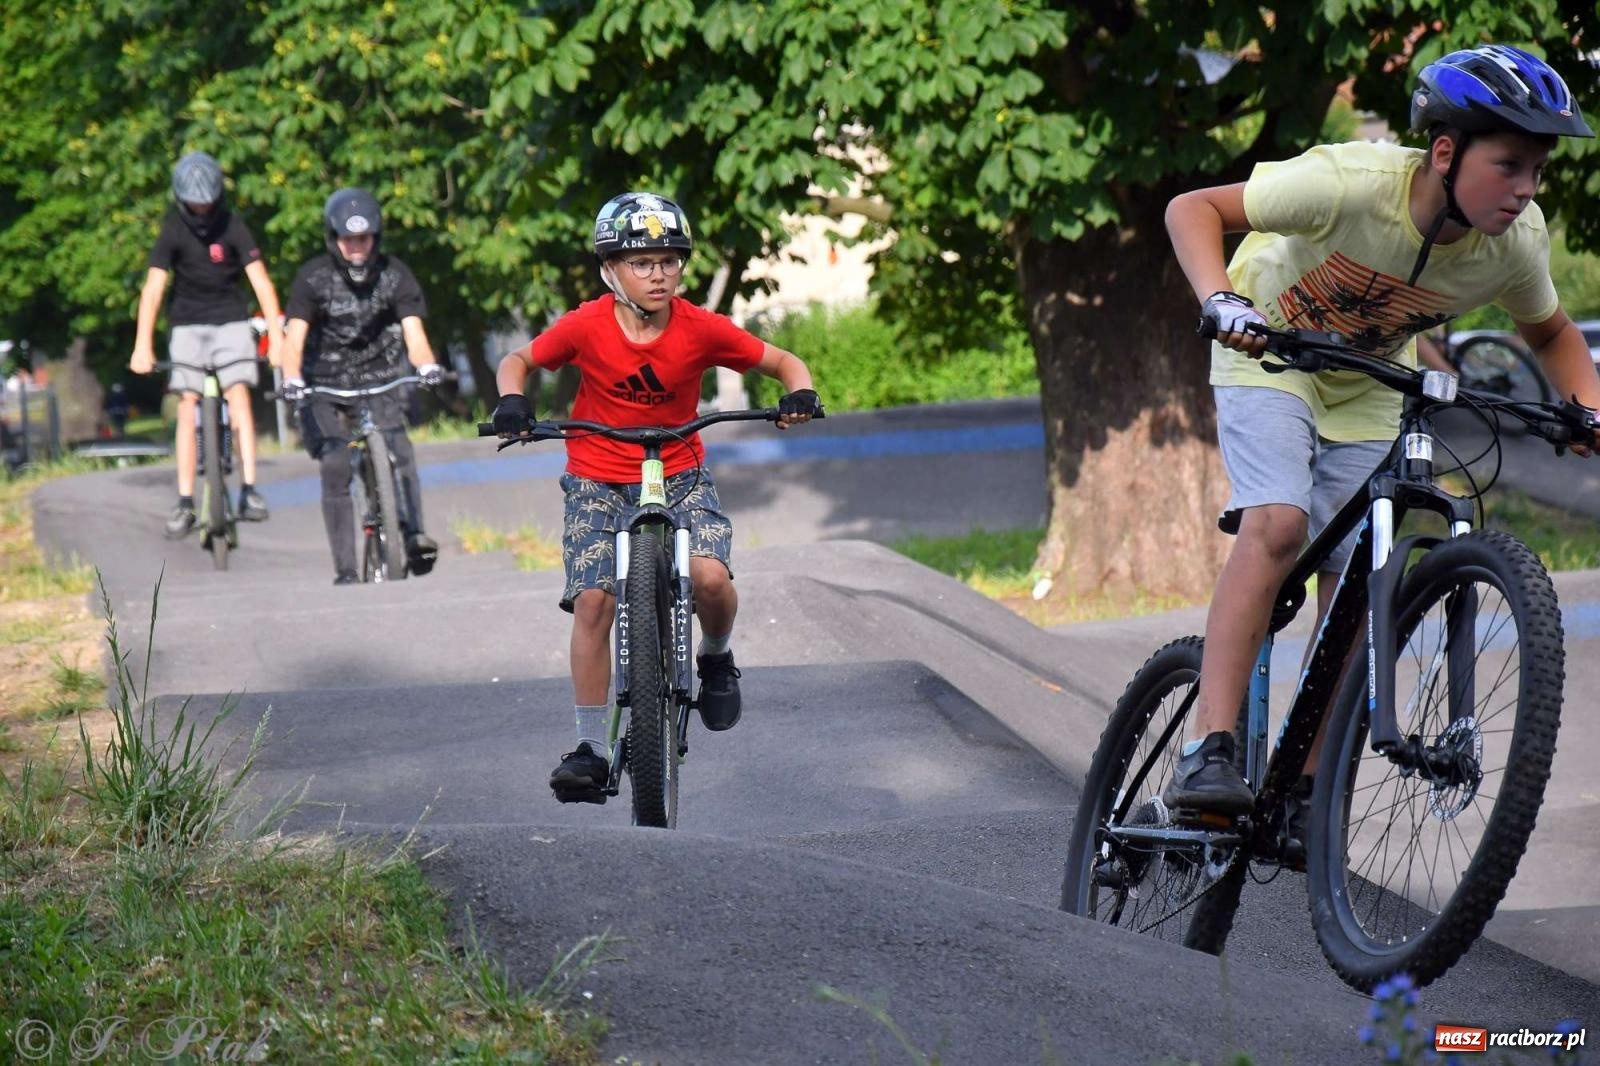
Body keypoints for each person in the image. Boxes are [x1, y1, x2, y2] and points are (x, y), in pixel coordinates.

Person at [1161, 45, 1600, 854]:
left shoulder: (1515, 241)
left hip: (1368, 382)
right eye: (1509, 165)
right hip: (1268, 350)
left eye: (1537, 169)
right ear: (1445, 152)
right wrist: (1219, 299)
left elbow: (1551, 333)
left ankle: (1306, 788)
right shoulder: (1347, 182)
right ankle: (1207, 751)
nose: (1527, 188)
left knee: (1366, 579)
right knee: (1281, 524)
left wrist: (1589, 411)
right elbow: (1193, 207)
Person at [491, 191, 821, 803]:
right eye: (642, 263)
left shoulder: (698, 327)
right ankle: (590, 745)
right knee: (593, 600)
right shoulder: (586, 324)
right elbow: (518, 360)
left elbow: (782, 361)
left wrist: (799, 394)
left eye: (670, 261)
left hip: (681, 470)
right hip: (597, 474)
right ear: (611, 269)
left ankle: (716, 656)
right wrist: (513, 402)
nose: (659, 274)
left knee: (712, 581)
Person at [279, 187, 444, 585]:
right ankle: (346, 570)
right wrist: (292, 378)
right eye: (349, 239)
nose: (356, 247)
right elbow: (294, 339)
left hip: (381, 378)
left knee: (400, 450)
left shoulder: (395, 275)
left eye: (364, 238)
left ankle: (412, 535)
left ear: (376, 237)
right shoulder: (312, 278)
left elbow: (414, 333)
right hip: (324, 386)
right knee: (335, 463)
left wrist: (426, 366)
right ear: (334, 238)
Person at [130, 151, 283, 535]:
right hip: (187, 324)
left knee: (239, 396)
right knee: (187, 404)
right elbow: (152, 290)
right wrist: (142, 345)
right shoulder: (173, 229)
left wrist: (276, 339)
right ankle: (184, 501)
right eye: (194, 204)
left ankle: (250, 490)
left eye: (206, 203)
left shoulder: (233, 225)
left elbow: (261, 282)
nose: (201, 210)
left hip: (230, 319)